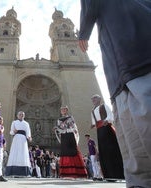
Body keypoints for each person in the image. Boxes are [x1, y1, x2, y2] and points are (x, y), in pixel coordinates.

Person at [78, 1, 151, 187]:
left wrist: (84, 33)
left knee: (132, 116)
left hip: (126, 57)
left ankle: (140, 180)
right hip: (140, 34)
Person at [88, 95, 124, 181]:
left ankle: (117, 174)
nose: (93, 100)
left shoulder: (104, 106)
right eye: (92, 99)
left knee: (111, 150)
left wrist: (107, 120)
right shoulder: (92, 111)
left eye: (95, 98)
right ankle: (108, 174)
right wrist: (92, 125)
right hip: (100, 131)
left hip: (107, 128)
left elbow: (110, 115)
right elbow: (94, 121)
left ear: (99, 99)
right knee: (103, 151)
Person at [53, 106, 87, 179]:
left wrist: (72, 131)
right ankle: (66, 174)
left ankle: (76, 173)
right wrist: (56, 129)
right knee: (65, 153)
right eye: (62, 110)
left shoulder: (70, 118)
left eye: (64, 109)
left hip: (70, 135)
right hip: (64, 137)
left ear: (67, 110)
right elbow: (60, 128)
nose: (63, 111)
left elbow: (74, 126)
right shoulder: (59, 120)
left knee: (73, 152)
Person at [5, 111, 32, 177]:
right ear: (17, 115)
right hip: (16, 139)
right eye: (20, 114)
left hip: (23, 140)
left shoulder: (26, 123)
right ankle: (12, 172)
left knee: (23, 153)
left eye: (22, 114)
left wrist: (29, 137)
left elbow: (28, 132)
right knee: (15, 153)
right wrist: (14, 131)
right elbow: (11, 132)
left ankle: (24, 173)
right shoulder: (14, 122)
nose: (21, 115)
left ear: (24, 116)